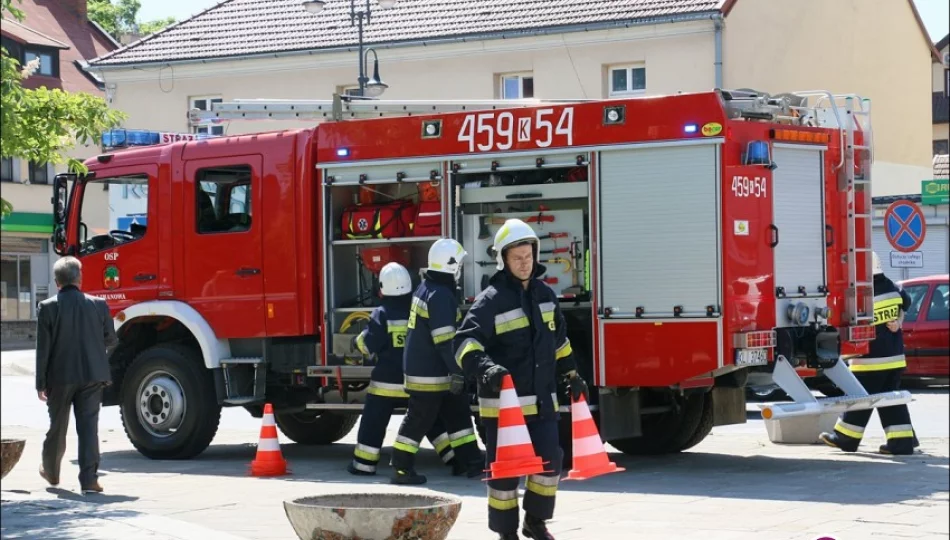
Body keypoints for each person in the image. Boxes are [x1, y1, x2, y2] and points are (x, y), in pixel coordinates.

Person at [455, 218, 589, 540]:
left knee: (549, 464)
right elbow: (464, 343)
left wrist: (572, 374)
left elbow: (559, 342)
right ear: (503, 259)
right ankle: (506, 533)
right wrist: (486, 368)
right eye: (517, 257)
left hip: (542, 402)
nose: (524, 263)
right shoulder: (491, 299)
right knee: (503, 477)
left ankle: (535, 522)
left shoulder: (545, 295)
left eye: (528, 256)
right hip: (505, 408)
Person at [347, 262, 462, 476]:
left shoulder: (381, 313)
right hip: (416, 380)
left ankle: (363, 464)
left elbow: (368, 344)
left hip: (385, 386)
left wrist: (356, 341)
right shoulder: (416, 309)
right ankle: (451, 456)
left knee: (374, 421)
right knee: (428, 419)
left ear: (381, 288)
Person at [390, 238, 484, 485]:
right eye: (459, 264)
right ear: (451, 265)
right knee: (419, 419)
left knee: (458, 416)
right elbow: (445, 341)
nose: (461, 269)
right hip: (430, 374)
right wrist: (460, 371)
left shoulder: (428, 288)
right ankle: (401, 467)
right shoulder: (440, 295)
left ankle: (470, 462)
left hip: (430, 370)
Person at [819, 251, 917, 455]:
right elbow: (905, 305)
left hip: (871, 360)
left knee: (860, 398)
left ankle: (845, 438)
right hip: (895, 359)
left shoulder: (863, 294)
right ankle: (903, 442)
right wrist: (898, 320)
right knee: (891, 400)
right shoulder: (893, 288)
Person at [35, 256, 117, 493]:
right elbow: (111, 339)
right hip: (92, 375)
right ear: (79, 278)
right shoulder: (99, 305)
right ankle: (89, 480)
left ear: (56, 281)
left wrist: (40, 382)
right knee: (89, 427)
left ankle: (51, 472)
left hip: (59, 377)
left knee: (57, 426)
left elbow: (43, 349)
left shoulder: (48, 307)